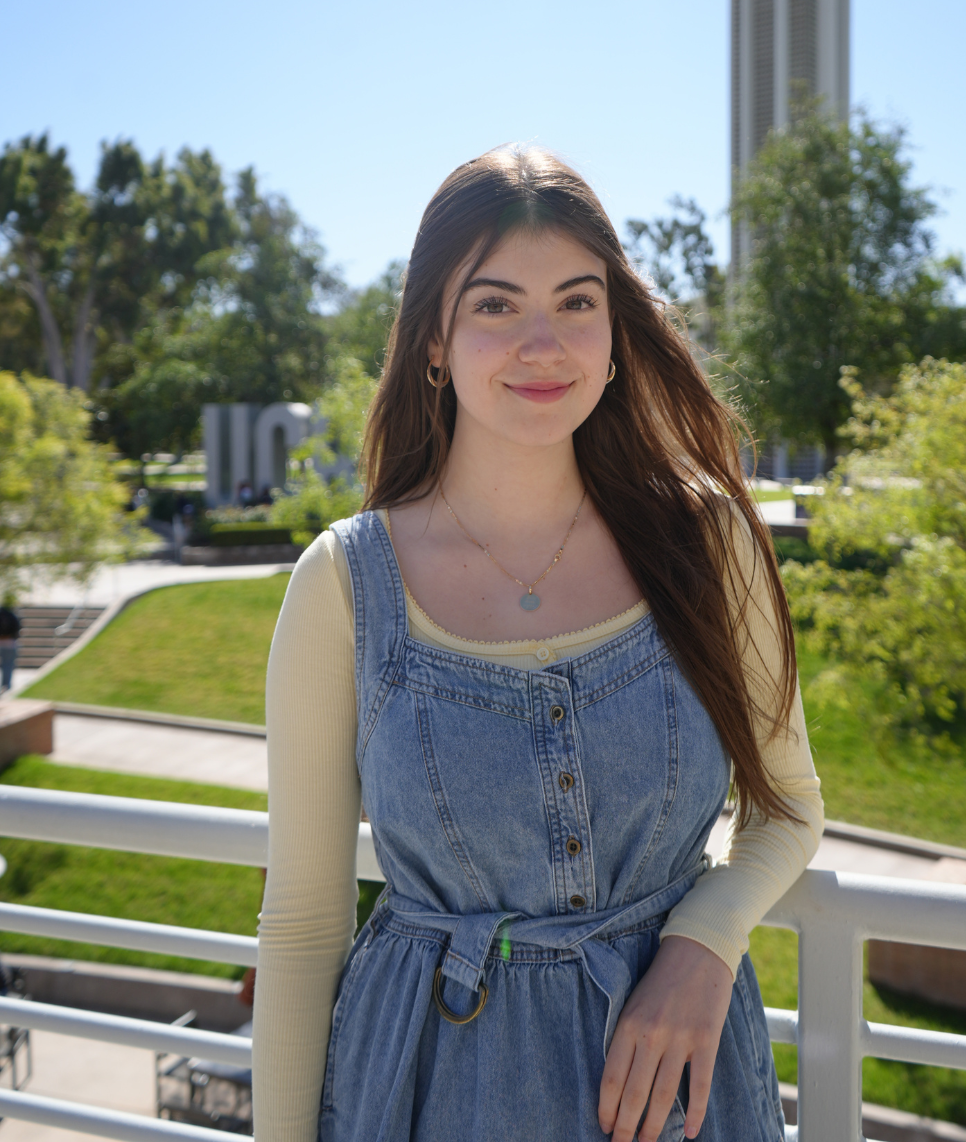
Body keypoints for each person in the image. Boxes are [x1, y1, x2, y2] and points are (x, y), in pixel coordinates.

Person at [254, 147, 824, 1142]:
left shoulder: (709, 541)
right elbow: (305, 921)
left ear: (613, 334)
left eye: (575, 302)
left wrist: (704, 939)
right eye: (494, 306)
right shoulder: (344, 583)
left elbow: (789, 808)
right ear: (433, 338)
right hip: (423, 1094)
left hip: (677, 1096)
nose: (543, 344)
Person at [0, 600, 21, 694]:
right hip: (10, 643)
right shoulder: (12, 616)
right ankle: (6, 685)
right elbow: (17, 628)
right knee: (8, 665)